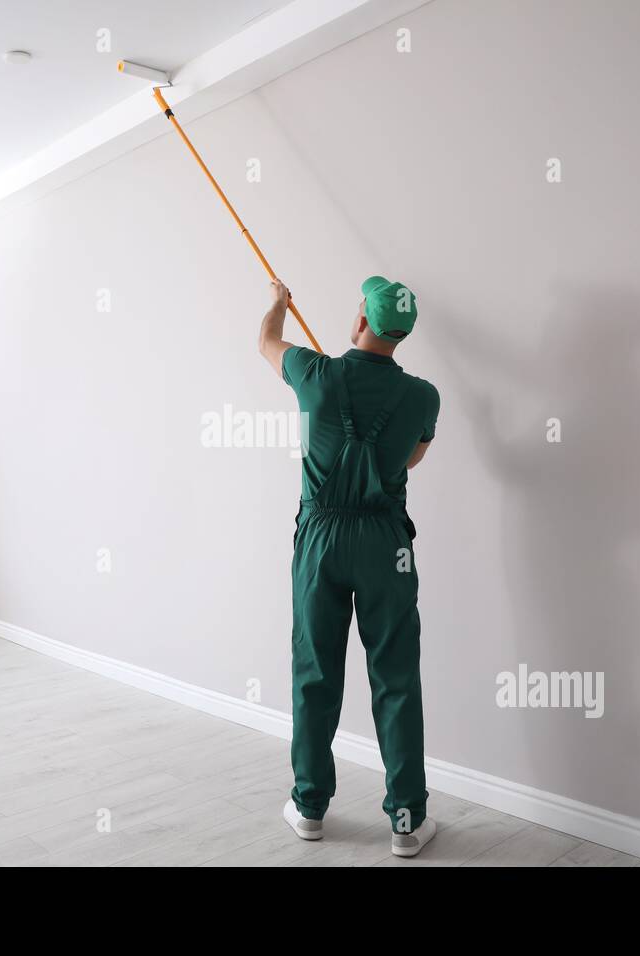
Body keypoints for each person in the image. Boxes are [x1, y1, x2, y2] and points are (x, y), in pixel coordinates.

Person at [258, 275, 440, 858]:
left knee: (315, 672)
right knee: (396, 676)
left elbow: (264, 342)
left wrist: (278, 304)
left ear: (363, 318)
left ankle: (309, 808)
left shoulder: (314, 374)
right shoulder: (423, 396)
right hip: (387, 543)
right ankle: (407, 823)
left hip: (321, 541)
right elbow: (412, 457)